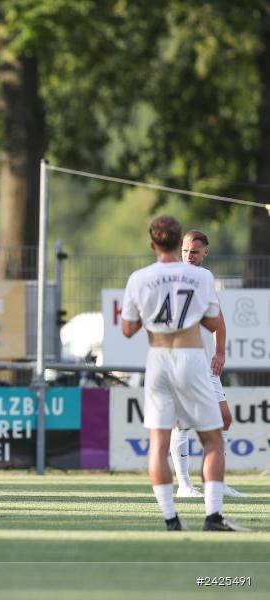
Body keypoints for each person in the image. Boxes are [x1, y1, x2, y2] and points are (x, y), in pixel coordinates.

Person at [121, 215, 246, 532]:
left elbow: (127, 329)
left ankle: (172, 520)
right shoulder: (199, 279)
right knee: (213, 439)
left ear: (152, 244)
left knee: (158, 442)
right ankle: (212, 516)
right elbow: (211, 322)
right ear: (179, 245)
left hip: (159, 359)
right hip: (190, 359)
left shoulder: (139, 278)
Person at [170, 230, 247, 498]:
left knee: (224, 419)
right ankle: (184, 485)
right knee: (182, 422)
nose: (189, 256)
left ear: (206, 252)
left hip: (204, 363)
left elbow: (218, 318)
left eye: (194, 252)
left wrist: (220, 352)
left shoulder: (205, 277)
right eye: (185, 251)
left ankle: (216, 481)